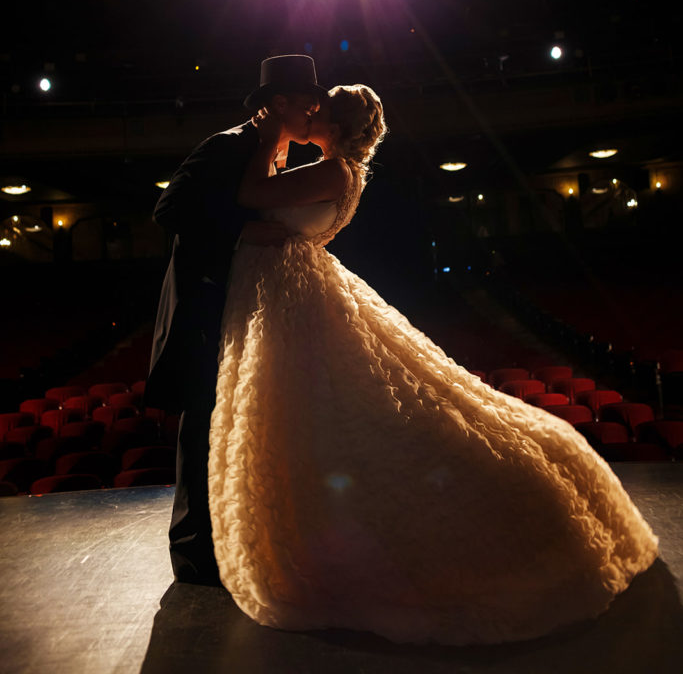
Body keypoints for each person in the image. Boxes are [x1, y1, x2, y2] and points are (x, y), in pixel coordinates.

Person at [208, 83, 658, 644]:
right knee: (307, 415)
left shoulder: (334, 172)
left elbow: (251, 193)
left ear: (336, 122)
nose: (311, 108)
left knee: (335, 412)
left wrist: (271, 137)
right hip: (289, 290)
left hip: (292, 295)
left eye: (321, 105)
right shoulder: (337, 169)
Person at [147, 54, 327, 584]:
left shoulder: (267, 153)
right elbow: (169, 210)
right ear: (276, 105)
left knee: (228, 425)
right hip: (204, 305)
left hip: (236, 306)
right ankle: (194, 554)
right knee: (201, 424)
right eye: (306, 101)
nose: (315, 109)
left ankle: (227, 540)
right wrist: (242, 231)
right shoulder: (227, 145)